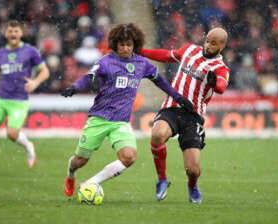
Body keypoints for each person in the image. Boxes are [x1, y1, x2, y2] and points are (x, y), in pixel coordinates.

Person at [62, 23, 193, 197]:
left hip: (120, 122)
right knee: (80, 160)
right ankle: (71, 175)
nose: (125, 48)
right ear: (115, 44)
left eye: (129, 44)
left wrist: (178, 97)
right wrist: (75, 87)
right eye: (122, 44)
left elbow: (160, 81)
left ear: (134, 44)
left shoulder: (141, 64)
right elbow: (88, 77)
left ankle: (91, 183)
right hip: (99, 118)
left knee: (129, 157)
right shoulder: (106, 62)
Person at [140, 27, 230, 203]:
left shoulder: (221, 68)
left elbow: (221, 86)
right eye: (207, 40)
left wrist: (214, 83)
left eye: (213, 43)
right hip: (172, 107)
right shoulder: (190, 50)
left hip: (193, 116)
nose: (207, 45)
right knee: (157, 135)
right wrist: (141, 51)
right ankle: (162, 180)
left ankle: (192, 185)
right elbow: (166, 55)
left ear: (221, 46)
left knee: (193, 169)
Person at [0, 20, 50, 176]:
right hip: (0, 97)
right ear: (5, 33)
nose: (13, 34)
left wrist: (35, 82)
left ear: (21, 33)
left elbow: (45, 72)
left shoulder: (30, 51)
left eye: (16, 31)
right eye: (10, 31)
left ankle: (28, 146)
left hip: (19, 100)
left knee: (12, 134)